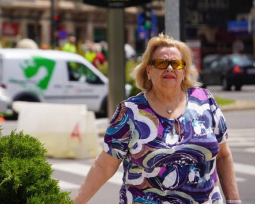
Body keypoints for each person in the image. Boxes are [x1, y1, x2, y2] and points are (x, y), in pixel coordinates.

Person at [74, 33, 241, 204]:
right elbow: (104, 166)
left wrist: (233, 200)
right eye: (161, 63)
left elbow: (223, 156)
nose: (169, 68)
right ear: (148, 70)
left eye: (176, 63)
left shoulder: (205, 101)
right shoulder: (130, 111)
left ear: (184, 71)